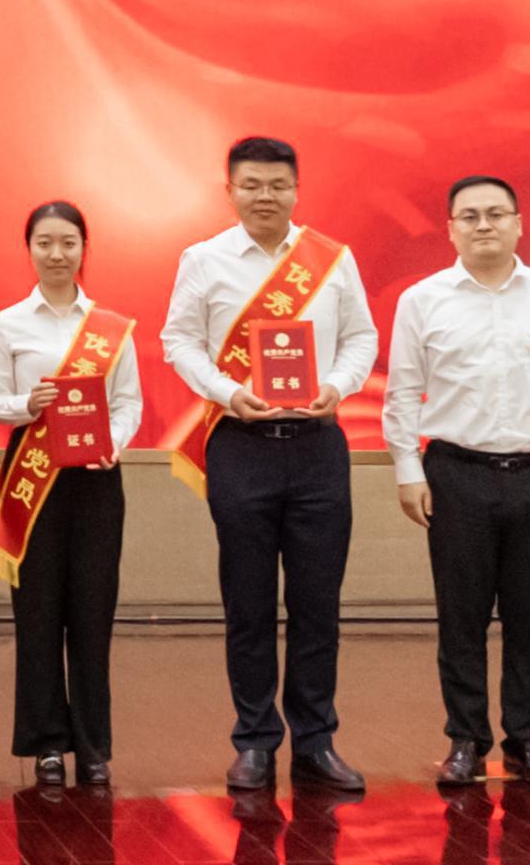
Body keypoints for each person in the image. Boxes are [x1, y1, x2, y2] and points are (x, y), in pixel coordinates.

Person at [162, 136, 378, 793]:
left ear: (296, 190)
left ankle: (316, 742)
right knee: (249, 602)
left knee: (317, 603)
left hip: (318, 446)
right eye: (252, 184)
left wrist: (337, 385)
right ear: (229, 190)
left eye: (278, 185)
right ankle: (254, 740)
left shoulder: (331, 260)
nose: (265, 196)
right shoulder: (203, 260)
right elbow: (179, 339)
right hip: (241, 445)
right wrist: (227, 392)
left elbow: (362, 336)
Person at [383, 174, 530, 789]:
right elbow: (402, 393)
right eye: (470, 216)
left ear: (519, 223)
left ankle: (527, 740)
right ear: (451, 228)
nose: (484, 225)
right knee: (462, 616)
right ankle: (466, 740)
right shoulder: (423, 300)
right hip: (456, 475)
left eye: (496, 214)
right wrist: (407, 471)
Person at [0, 200, 141, 786]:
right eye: (44, 243)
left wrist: (112, 444)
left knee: (93, 613)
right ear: (29, 249)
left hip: (96, 478)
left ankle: (94, 744)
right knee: (38, 612)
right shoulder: (8, 324)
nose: (56, 254)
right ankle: (46, 741)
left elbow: (128, 403)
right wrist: (28, 404)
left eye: (68, 243)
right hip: (32, 478)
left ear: (83, 249)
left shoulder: (110, 327)